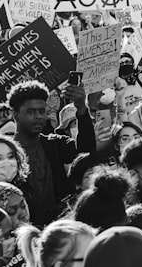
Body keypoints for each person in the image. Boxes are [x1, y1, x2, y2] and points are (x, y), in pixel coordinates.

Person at [9, 80, 94, 226]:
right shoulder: (5, 153)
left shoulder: (54, 144)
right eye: (31, 112)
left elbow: (85, 153)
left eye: (42, 111)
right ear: (16, 115)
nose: (38, 116)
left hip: (57, 227)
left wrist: (81, 108)